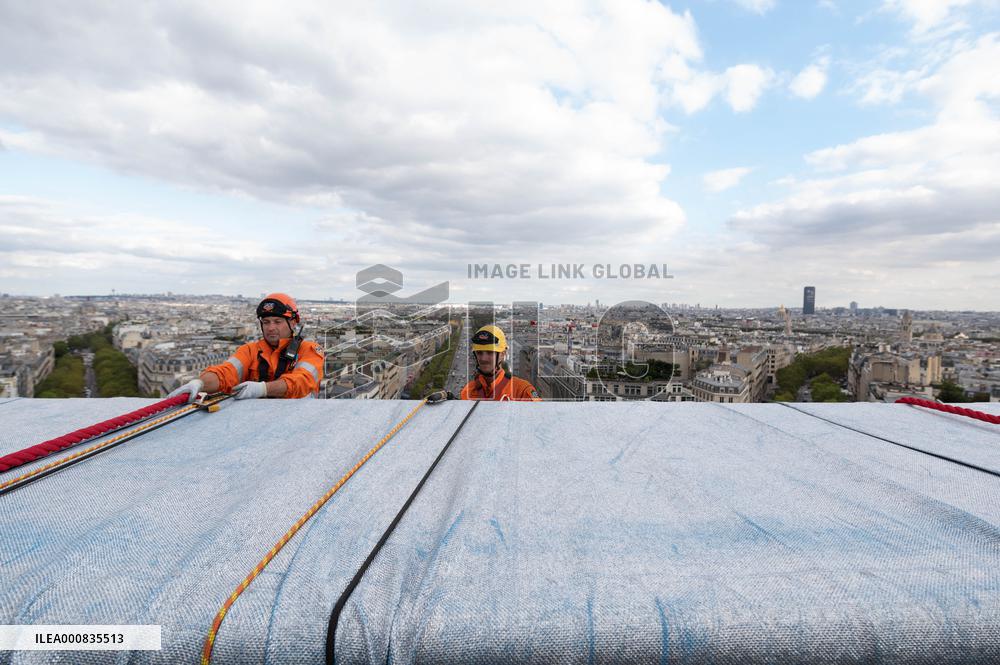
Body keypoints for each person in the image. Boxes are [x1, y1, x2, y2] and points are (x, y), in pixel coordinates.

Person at [169, 293, 324, 401]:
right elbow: (226, 373)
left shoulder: (310, 350)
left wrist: (263, 389)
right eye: (266, 322)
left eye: (277, 321)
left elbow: (302, 381)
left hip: (299, 420)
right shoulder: (250, 350)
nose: (271, 328)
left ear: (293, 323)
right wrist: (200, 383)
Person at [459, 324, 541, 401]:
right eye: (479, 352)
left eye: (490, 352)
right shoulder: (467, 391)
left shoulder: (522, 391)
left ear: (503, 354)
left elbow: (540, 414)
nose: (483, 358)